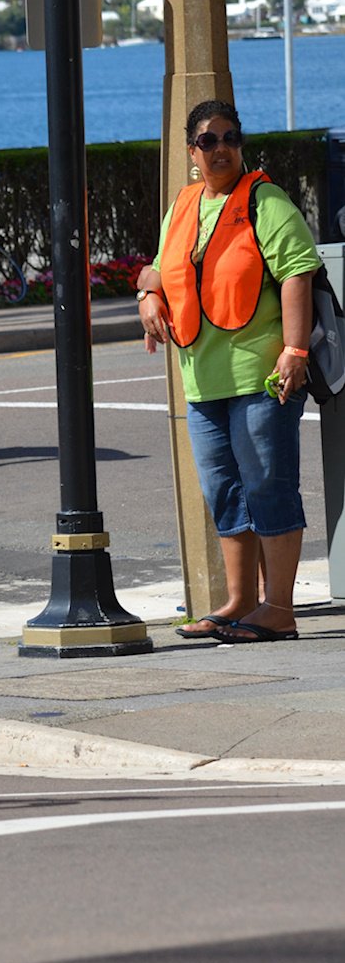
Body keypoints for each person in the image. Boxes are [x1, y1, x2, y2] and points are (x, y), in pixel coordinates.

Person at [137, 100, 320, 644]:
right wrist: (147, 292)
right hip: (202, 378)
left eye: (230, 138)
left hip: (261, 376)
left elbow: (297, 272)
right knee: (224, 492)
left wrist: (295, 350)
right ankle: (240, 601)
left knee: (269, 488)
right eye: (209, 141)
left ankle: (279, 609)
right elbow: (161, 264)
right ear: (192, 153)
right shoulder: (185, 204)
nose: (221, 149)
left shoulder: (265, 200)